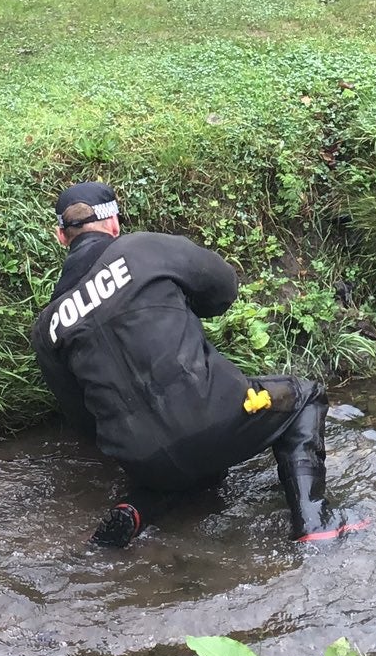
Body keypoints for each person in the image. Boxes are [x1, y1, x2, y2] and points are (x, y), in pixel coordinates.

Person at [31, 180, 358, 547]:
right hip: (217, 419)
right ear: (114, 225)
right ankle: (315, 522)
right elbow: (223, 288)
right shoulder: (144, 249)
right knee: (304, 397)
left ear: (62, 236)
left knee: (188, 469)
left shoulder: (46, 326)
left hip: (145, 460)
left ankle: (137, 507)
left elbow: (82, 419)